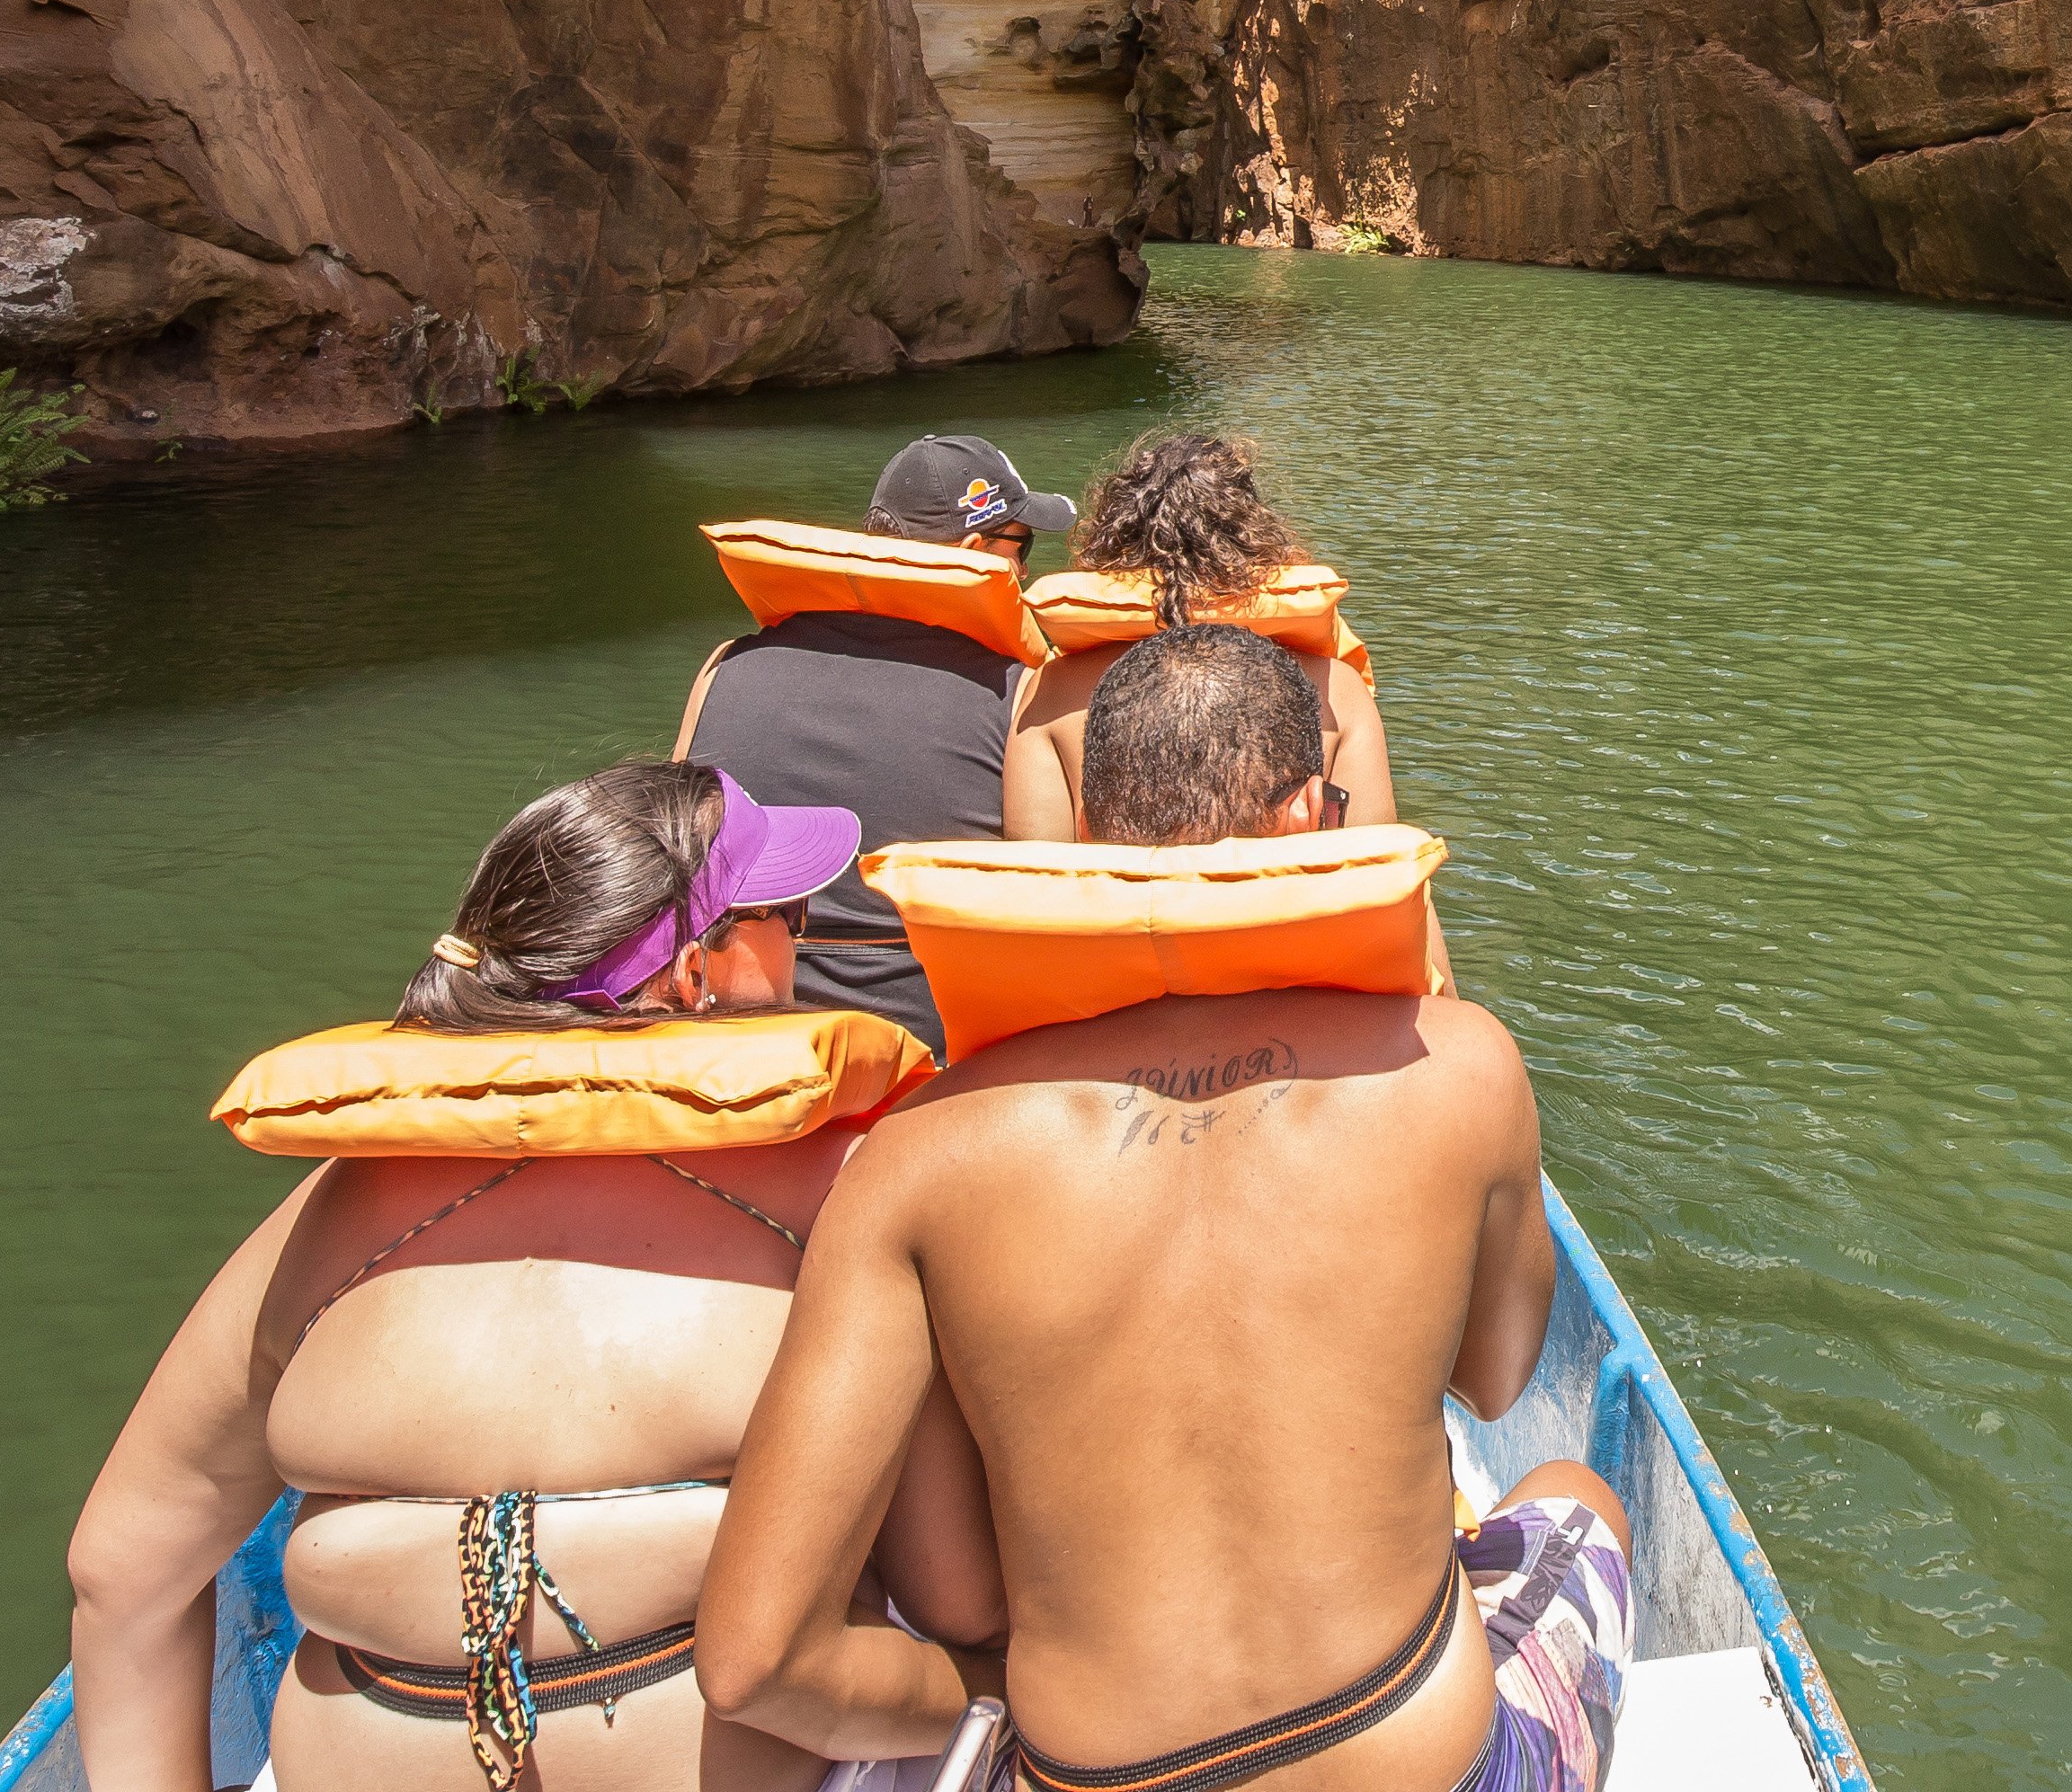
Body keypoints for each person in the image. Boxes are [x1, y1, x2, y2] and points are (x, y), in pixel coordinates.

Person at [696, 625, 1632, 1792]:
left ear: (1092, 833)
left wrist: (995, 1702)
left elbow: (752, 1663)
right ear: (1305, 816)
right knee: (1574, 1499)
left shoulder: (918, 1151)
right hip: (1426, 1767)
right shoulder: (1463, 1067)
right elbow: (1495, 1385)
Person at [60, 762, 996, 1792]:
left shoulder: (334, 1214)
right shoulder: (839, 1187)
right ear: (694, 974)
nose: (804, 941)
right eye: (786, 913)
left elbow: (123, 1579)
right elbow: (954, 1596)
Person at [680, 434, 1080, 1056]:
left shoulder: (724, 667)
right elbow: (1050, 908)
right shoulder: (1023, 694)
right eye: (1021, 546)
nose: (1027, 569)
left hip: (735, 1034)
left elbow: (670, 852)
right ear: (979, 553)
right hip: (927, 1049)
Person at [1002, 431, 1397, 842]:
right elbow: (1369, 862)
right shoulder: (1339, 692)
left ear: (1110, 534)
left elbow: (1038, 866)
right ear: (1256, 531)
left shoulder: (1048, 692)